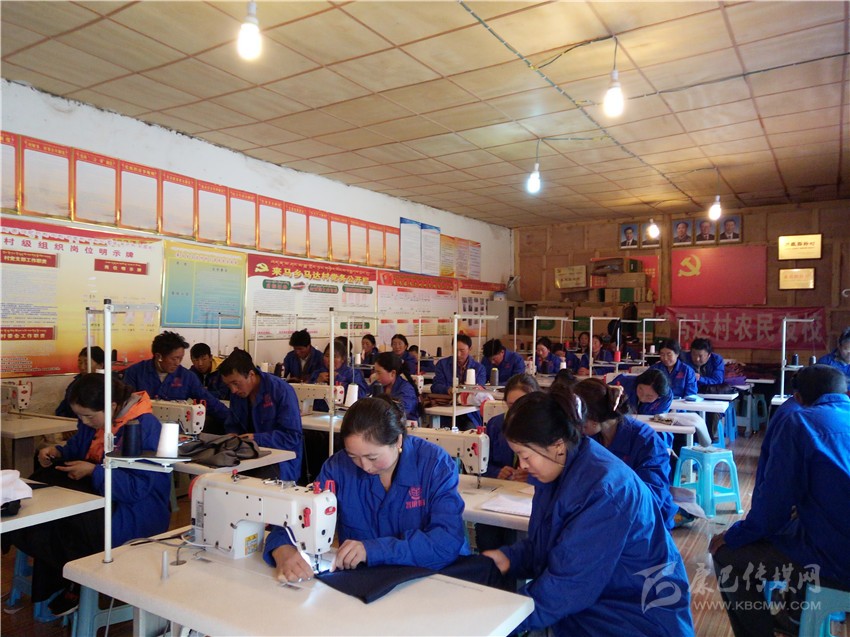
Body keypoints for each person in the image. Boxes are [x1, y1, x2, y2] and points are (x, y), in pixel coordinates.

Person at [482, 387, 693, 636]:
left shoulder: (605, 491)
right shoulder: (557, 472)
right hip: (594, 611)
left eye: (525, 455)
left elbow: (569, 585)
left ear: (557, 446)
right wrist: (510, 558)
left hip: (635, 619)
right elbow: (552, 543)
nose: (522, 465)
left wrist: (499, 619)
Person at [8, 374, 170, 616]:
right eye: (80, 416)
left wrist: (94, 472)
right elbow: (78, 447)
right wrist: (58, 452)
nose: (84, 422)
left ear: (112, 406)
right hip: (99, 496)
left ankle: (72, 582)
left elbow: (137, 488)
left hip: (135, 511)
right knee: (44, 514)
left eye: (89, 416)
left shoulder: (144, 427)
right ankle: (64, 581)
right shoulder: (94, 422)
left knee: (61, 525)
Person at [264, 395, 470, 580]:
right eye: (353, 456)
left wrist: (372, 550)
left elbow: (446, 541)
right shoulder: (338, 467)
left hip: (435, 578)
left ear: (398, 441)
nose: (364, 466)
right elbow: (301, 516)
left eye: (372, 457)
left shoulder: (434, 465)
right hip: (368, 581)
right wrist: (282, 549)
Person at [710, 366, 850, 637]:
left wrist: (733, 535)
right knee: (799, 531)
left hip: (839, 564)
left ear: (797, 397)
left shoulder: (800, 422)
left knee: (727, 556)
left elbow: (772, 509)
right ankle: (795, 619)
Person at [574, 378, 677, 529]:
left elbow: (652, 497)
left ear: (593, 418)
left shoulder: (646, 441)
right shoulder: (590, 436)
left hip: (645, 521)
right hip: (605, 512)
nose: (575, 425)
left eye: (577, 419)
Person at [122, 331, 233, 433]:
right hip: (141, 430)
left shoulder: (187, 377)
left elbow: (210, 402)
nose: (178, 363)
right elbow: (124, 406)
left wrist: (234, 423)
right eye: (174, 358)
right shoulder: (135, 373)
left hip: (175, 432)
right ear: (159, 356)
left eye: (180, 358)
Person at [218, 348, 303, 481]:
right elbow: (233, 424)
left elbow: (292, 436)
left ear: (251, 375)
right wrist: (232, 436)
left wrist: (256, 438)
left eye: (235, 384)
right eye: (229, 385)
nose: (233, 390)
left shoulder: (280, 390)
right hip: (247, 456)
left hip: (280, 461)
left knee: (254, 484)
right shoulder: (238, 394)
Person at [431, 333, 487, 429]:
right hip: (447, 410)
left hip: (469, 413)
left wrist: (464, 393)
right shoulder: (442, 364)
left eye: (462, 350)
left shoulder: (479, 368)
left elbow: (478, 391)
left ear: (470, 349)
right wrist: (448, 389)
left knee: (470, 430)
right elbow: (435, 386)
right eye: (455, 350)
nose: (458, 354)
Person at [310, 337, 370, 410]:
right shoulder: (318, 373)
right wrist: (316, 382)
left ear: (343, 359)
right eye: (327, 356)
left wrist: (340, 381)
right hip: (318, 413)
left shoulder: (352, 374)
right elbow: (307, 394)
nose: (330, 360)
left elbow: (361, 395)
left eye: (335, 356)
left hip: (344, 412)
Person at [56, 346, 105, 418]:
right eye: (80, 362)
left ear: (100, 365)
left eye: (86, 363)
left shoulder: (107, 385)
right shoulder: (75, 384)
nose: (82, 367)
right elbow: (64, 407)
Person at [373, 352, 419, 423]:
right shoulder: (377, 385)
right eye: (375, 372)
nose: (376, 377)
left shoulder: (406, 390)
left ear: (392, 373)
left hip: (405, 426)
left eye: (379, 373)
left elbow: (400, 412)